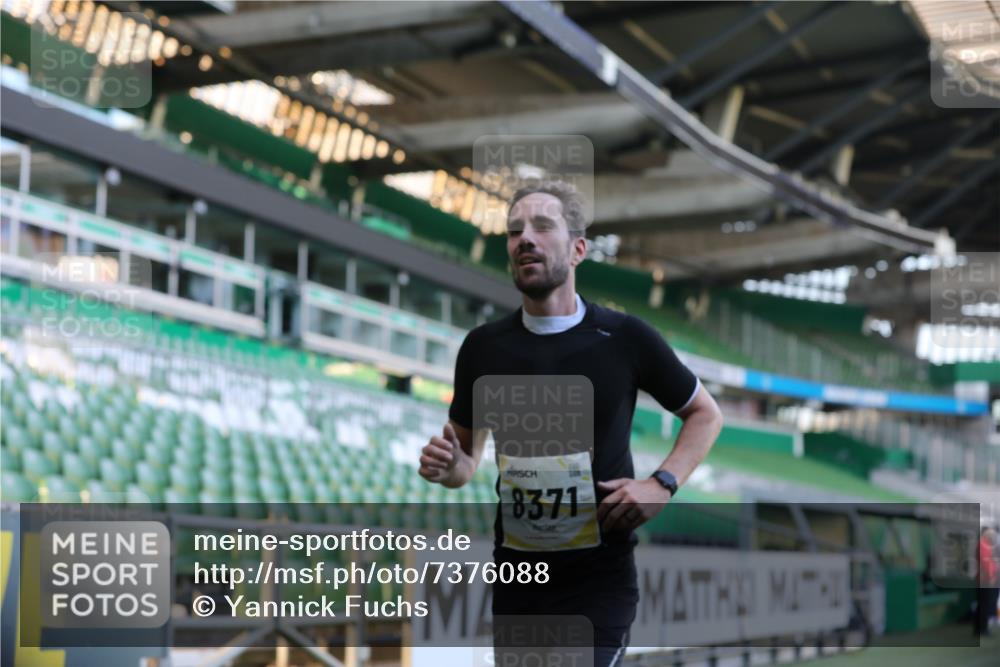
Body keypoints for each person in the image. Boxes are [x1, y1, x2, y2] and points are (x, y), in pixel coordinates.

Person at [419, 179, 723, 666]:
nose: (525, 239)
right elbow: (465, 464)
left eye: (542, 226)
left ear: (578, 249)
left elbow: (705, 414)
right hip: (519, 584)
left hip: (598, 579)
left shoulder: (625, 338)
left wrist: (662, 483)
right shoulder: (483, 347)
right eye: (515, 230)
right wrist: (449, 462)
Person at [976, 526, 998, 636]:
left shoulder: (986, 544)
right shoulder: (983, 544)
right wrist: (991, 577)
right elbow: (986, 563)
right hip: (985, 580)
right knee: (984, 604)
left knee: (983, 604)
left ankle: (981, 628)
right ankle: (982, 629)